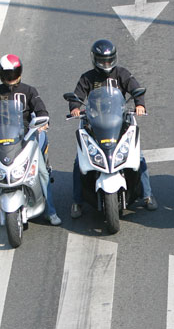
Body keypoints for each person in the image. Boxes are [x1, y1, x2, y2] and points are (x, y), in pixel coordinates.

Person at [68, 39, 158, 217]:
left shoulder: (122, 74)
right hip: (95, 123)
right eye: (102, 61)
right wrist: (75, 108)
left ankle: (147, 195)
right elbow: (77, 96)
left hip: (120, 122)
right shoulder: (87, 78)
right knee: (80, 162)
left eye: (109, 60)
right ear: (95, 60)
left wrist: (140, 104)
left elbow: (136, 88)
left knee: (138, 157)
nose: (106, 64)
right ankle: (77, 202)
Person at [0, 54, 61, 230]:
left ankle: (51, 211)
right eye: (8, 74)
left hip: (26, 137)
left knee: (42, 173)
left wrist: (43, 121)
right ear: (1, 74)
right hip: (0, 138)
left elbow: (41, 109)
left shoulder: (29, 91)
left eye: (13, 73)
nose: (11, 77)